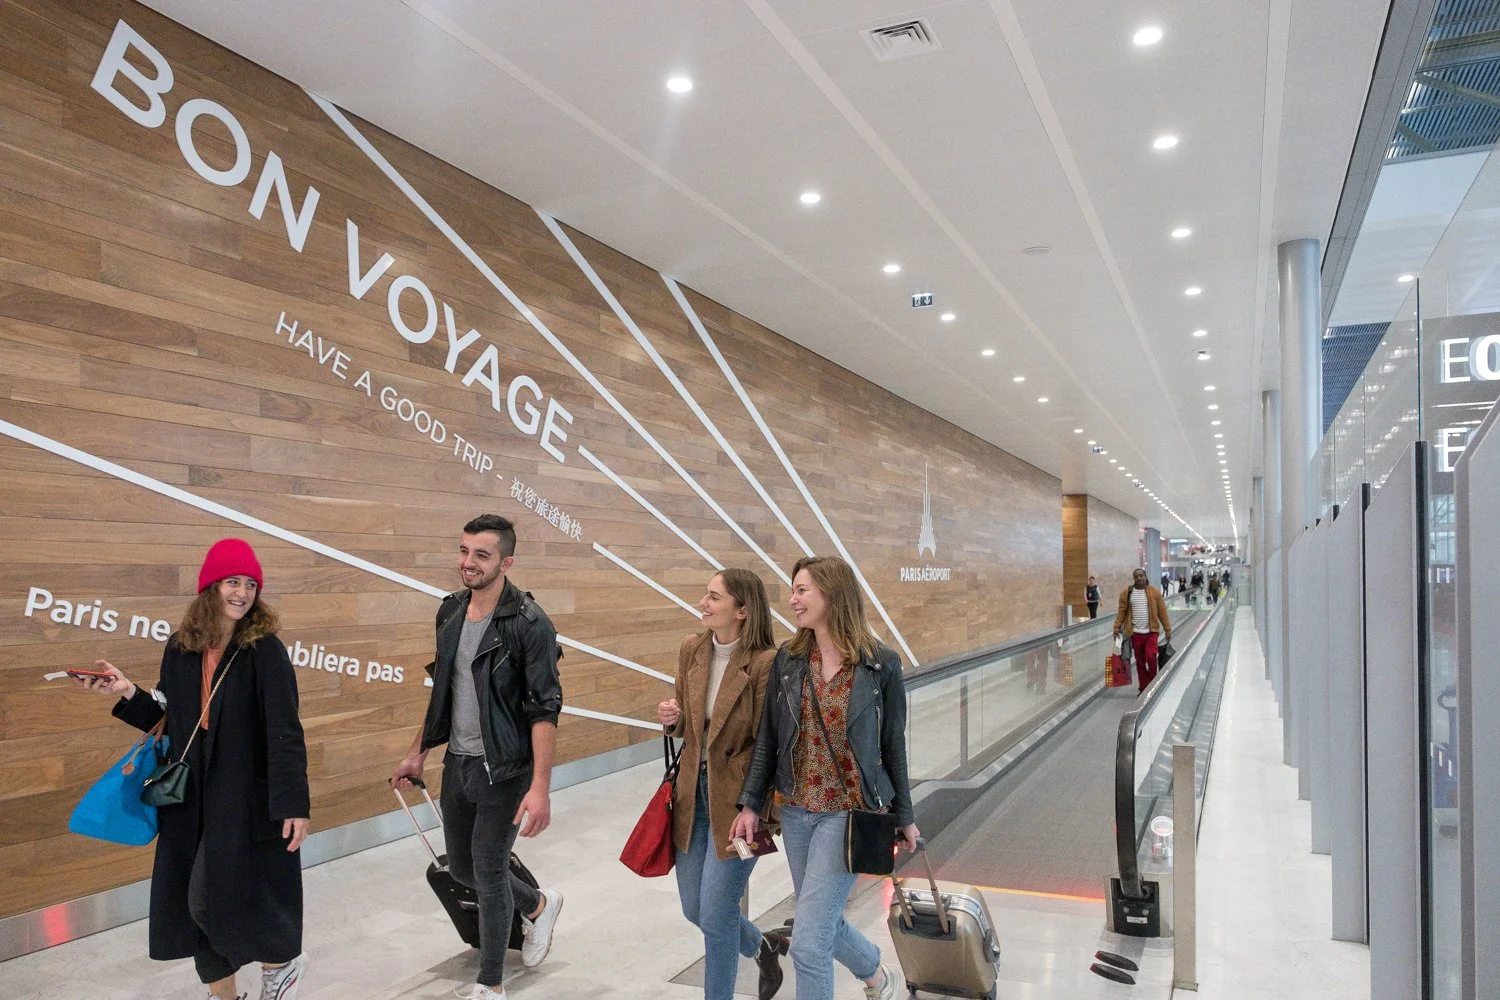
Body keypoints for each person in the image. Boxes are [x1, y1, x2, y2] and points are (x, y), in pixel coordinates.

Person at [73, 538, 310, 1000]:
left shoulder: (266, 651)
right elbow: (171, 724)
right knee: (192, 903)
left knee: (237, 901)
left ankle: (280, 969)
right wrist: (125, 692)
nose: (241, 593)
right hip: (190, 800)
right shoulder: (181, 649)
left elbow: (285, 732)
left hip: (247, 802)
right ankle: (224, 995)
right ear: (209, 588)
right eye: (231, 582)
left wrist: (294, 804)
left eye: (249, 584)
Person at [392, 515, 564, 1000]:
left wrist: (540, 788)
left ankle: (489, 984)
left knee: (488, 870)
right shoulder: (449, 613)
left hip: (507, 768)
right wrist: (416, 753)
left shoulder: (530, 624)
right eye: (463, 551)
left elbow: (544, 708)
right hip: (459, 764)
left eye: (481, 555)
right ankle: (538, 905)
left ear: (506, 562)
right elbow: (443, 693)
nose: (468, 563)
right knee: (462, 869)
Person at [731, 556, 916, 1000]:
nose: (792, 600)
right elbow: (770, 738)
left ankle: (874, 977)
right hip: (797, 811)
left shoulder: (879, 665)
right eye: (793, 590)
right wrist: (751, 803)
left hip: (849, 815)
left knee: (809, 943)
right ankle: (876, 974)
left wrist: (905, 815)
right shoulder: (789, 660)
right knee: (823, 920)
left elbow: (893, 745)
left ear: (832, 594)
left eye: (801, 590)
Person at [657, 570, 786, 1000]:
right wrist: (673, 722)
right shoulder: (691, 650)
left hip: (741, 806)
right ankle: (763, 945)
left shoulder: (767, 663)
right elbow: (690, 730)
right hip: (692, 795)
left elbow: (771, 742)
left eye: (714, 597)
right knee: (695, 909)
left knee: (715, 915)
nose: (703, 602)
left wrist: (757, 806)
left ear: (743, 610)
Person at [1113, 568, 1172, 693]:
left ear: (1145, 577)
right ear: (1134, 579)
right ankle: (1143, 688)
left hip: (1151, 632)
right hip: (1135, 634)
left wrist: (1167, 628)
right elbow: (1122, 612)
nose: (1139, 578)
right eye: (1136, 576)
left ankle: (1152, 686)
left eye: (1141, 575)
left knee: (1151, 657)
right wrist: (1116, 627)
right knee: (1140, 662)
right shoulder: (1126, 594)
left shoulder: (1155, 593)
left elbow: (1162, 612)